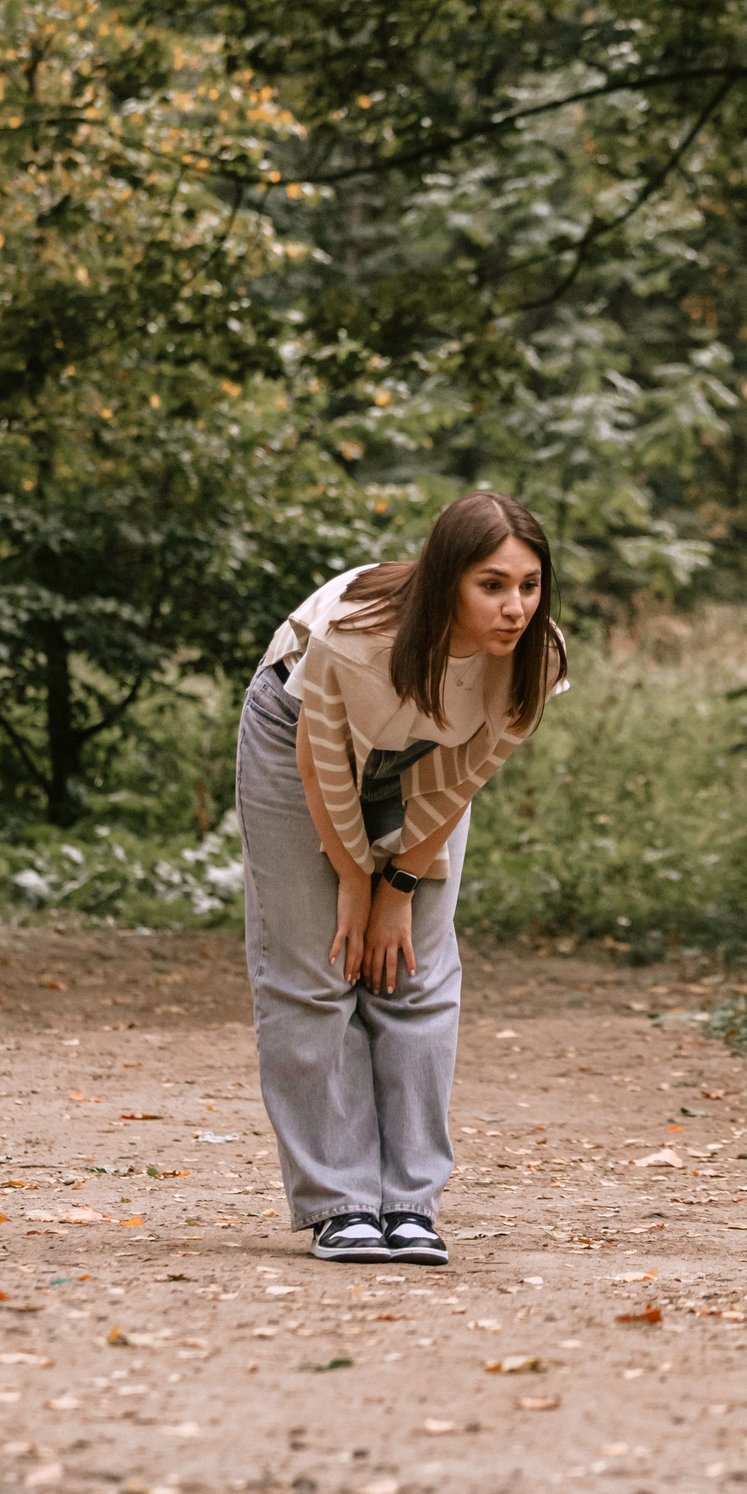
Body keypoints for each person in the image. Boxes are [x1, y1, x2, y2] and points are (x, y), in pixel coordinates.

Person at [236, 492, 568, 1264]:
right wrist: (355, 881)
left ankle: (410, 1203)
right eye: (492, 584)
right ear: (448, 578)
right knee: (318, 964)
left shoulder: (535, 655)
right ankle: (341, 1202)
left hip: (428, 764)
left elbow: (468, 773)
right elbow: (323, 762)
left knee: (414, 968)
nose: (515, 606)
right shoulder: (357, 639)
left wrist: (400, 887)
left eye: (529, 583)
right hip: (299, 728)